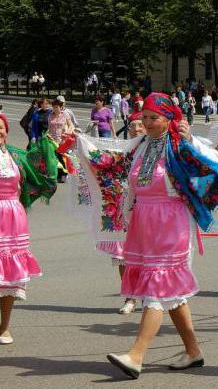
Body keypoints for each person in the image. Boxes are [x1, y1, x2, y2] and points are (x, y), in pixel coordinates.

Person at [78, 93, 218, 379]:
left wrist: (191, 141)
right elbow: (112, 158)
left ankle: (136, 355)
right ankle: (193, 352)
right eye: (144, 117)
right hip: (145, 223)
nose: (147, 123)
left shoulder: (181, 144)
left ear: (169, 119)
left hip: (171, 224)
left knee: (157, 289)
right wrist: (80, 143)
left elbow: (213, 167)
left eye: (153, 118)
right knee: (171, 293)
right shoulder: (142, 145)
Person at [0, 113, 58, 346]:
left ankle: (4, 328)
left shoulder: (17, 156)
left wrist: (51, 147)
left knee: (10, 274)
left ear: (7, 132)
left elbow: (39, 175)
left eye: (0, 128)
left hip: (13, 217)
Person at [96, 112, 145, 315]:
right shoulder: (119, 150)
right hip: (122, 209)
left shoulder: (155, 148)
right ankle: (130, 296)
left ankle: (149, 295)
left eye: (141, 125)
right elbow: (100, 165)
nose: (137, 129)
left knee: (146, 255)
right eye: (133, 125)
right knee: (123, 255)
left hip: (145, 209)